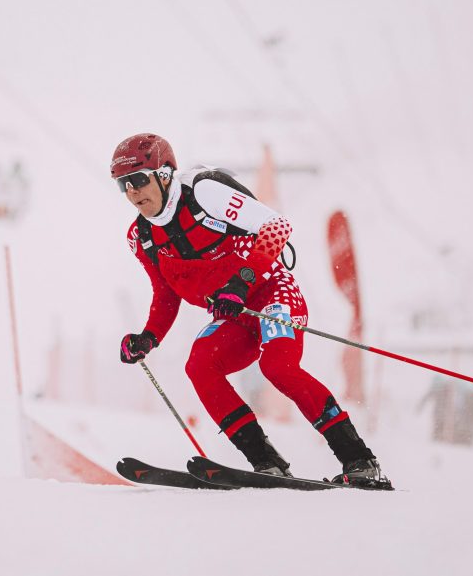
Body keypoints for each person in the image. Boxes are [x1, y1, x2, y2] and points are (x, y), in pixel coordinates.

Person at [111, 133, 391, 489]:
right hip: (234, 314)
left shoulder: (203, 193)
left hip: (272, 295)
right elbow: (166, 293)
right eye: (123, 186)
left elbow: (277, 226)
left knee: (278, 367)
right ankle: (266, 463)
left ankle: (360, 460)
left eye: (137, 180)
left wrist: (240, 284)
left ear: (165, 174)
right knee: (199, 367)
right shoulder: (142, 237)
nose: (133, 192)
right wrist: (148, 337)